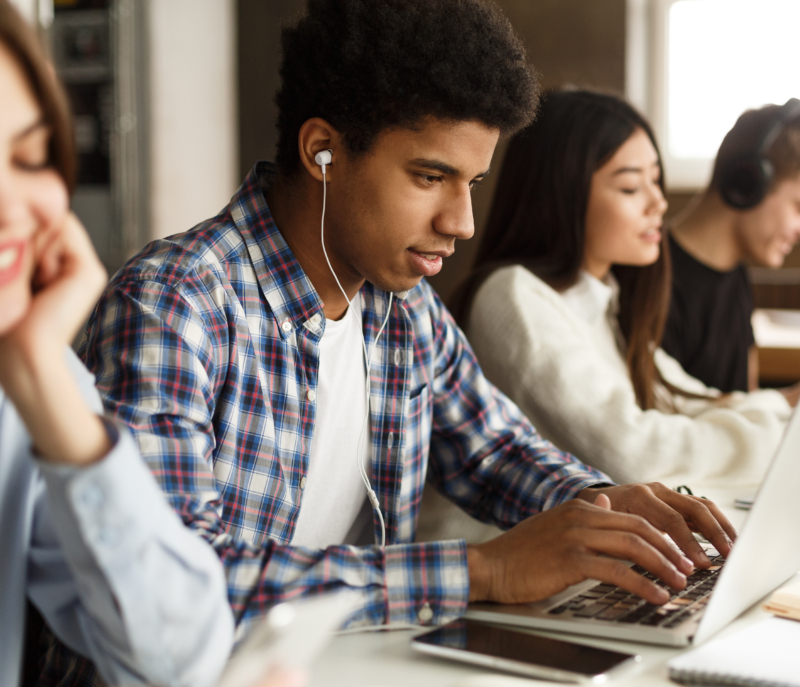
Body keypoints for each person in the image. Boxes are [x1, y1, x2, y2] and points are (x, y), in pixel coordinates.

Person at [69, 1, 738, 679]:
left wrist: (608, 510)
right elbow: (179, 588)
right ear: (321, 151)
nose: (463, 221)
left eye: (472, 182)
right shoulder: (173, 304)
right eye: (430, 177)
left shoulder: (402, 307)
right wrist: (484, 568)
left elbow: (496, 452)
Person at [0, 2, 235, 686]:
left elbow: (176, 659)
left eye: (30, 155)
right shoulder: (179, 291)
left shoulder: (26, 381)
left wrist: (44, 381)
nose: (15, 206)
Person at [445, 89, 791, 492]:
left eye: (656, 181)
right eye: (630, 188)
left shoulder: (602, 302)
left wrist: (789, 404)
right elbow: (635, 454)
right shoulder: (513, 297)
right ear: (562, 194)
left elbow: (688, 401)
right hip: (497, 549)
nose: (658, 203)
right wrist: (784, 432)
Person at [662, 101, 800, 393]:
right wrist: (796, 399)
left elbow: (747, 404)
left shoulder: (735, 273)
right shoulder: (651, 280)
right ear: (748, 184)